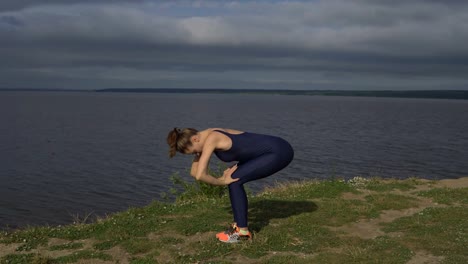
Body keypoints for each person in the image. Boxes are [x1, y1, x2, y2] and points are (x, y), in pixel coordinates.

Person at [166, 127, 294, 243]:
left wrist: (222, 181)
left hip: (278, 151)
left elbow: (200, 175)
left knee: (234, 181)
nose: (196, 154)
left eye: (194, 152)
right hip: (262, 154)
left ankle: (242, 232)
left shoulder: (212, 138)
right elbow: (194, 173)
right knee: (233, 179)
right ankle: (238, 227)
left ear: (195, 139)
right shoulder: (204, 136)